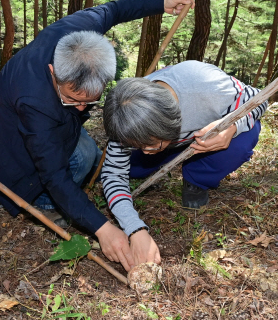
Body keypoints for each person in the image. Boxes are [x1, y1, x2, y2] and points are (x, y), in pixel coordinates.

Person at [0, 0, 192, 271]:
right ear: (54, 72)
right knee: (77, 160)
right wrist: (102, 228)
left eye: (90, 100)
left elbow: (113, 8)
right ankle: (41, 203)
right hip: (3, 145)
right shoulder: (35, 103)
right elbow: (53, 174)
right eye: (73, 99)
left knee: (86, 152)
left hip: (47, 119)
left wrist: (161, 3)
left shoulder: (79, 37)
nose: (82, 108)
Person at [100, 61, 267, 269]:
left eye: (150, 144)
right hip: (170, 141)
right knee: (133, 169)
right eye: (137, 145)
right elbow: (113, 175)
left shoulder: (204, 84)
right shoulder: (125, 117)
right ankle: (161, 156)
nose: (144, 150)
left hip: (205, 137)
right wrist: (135, 229)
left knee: (243, 140)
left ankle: (197, 177)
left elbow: (260, 99)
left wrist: (232, 127)